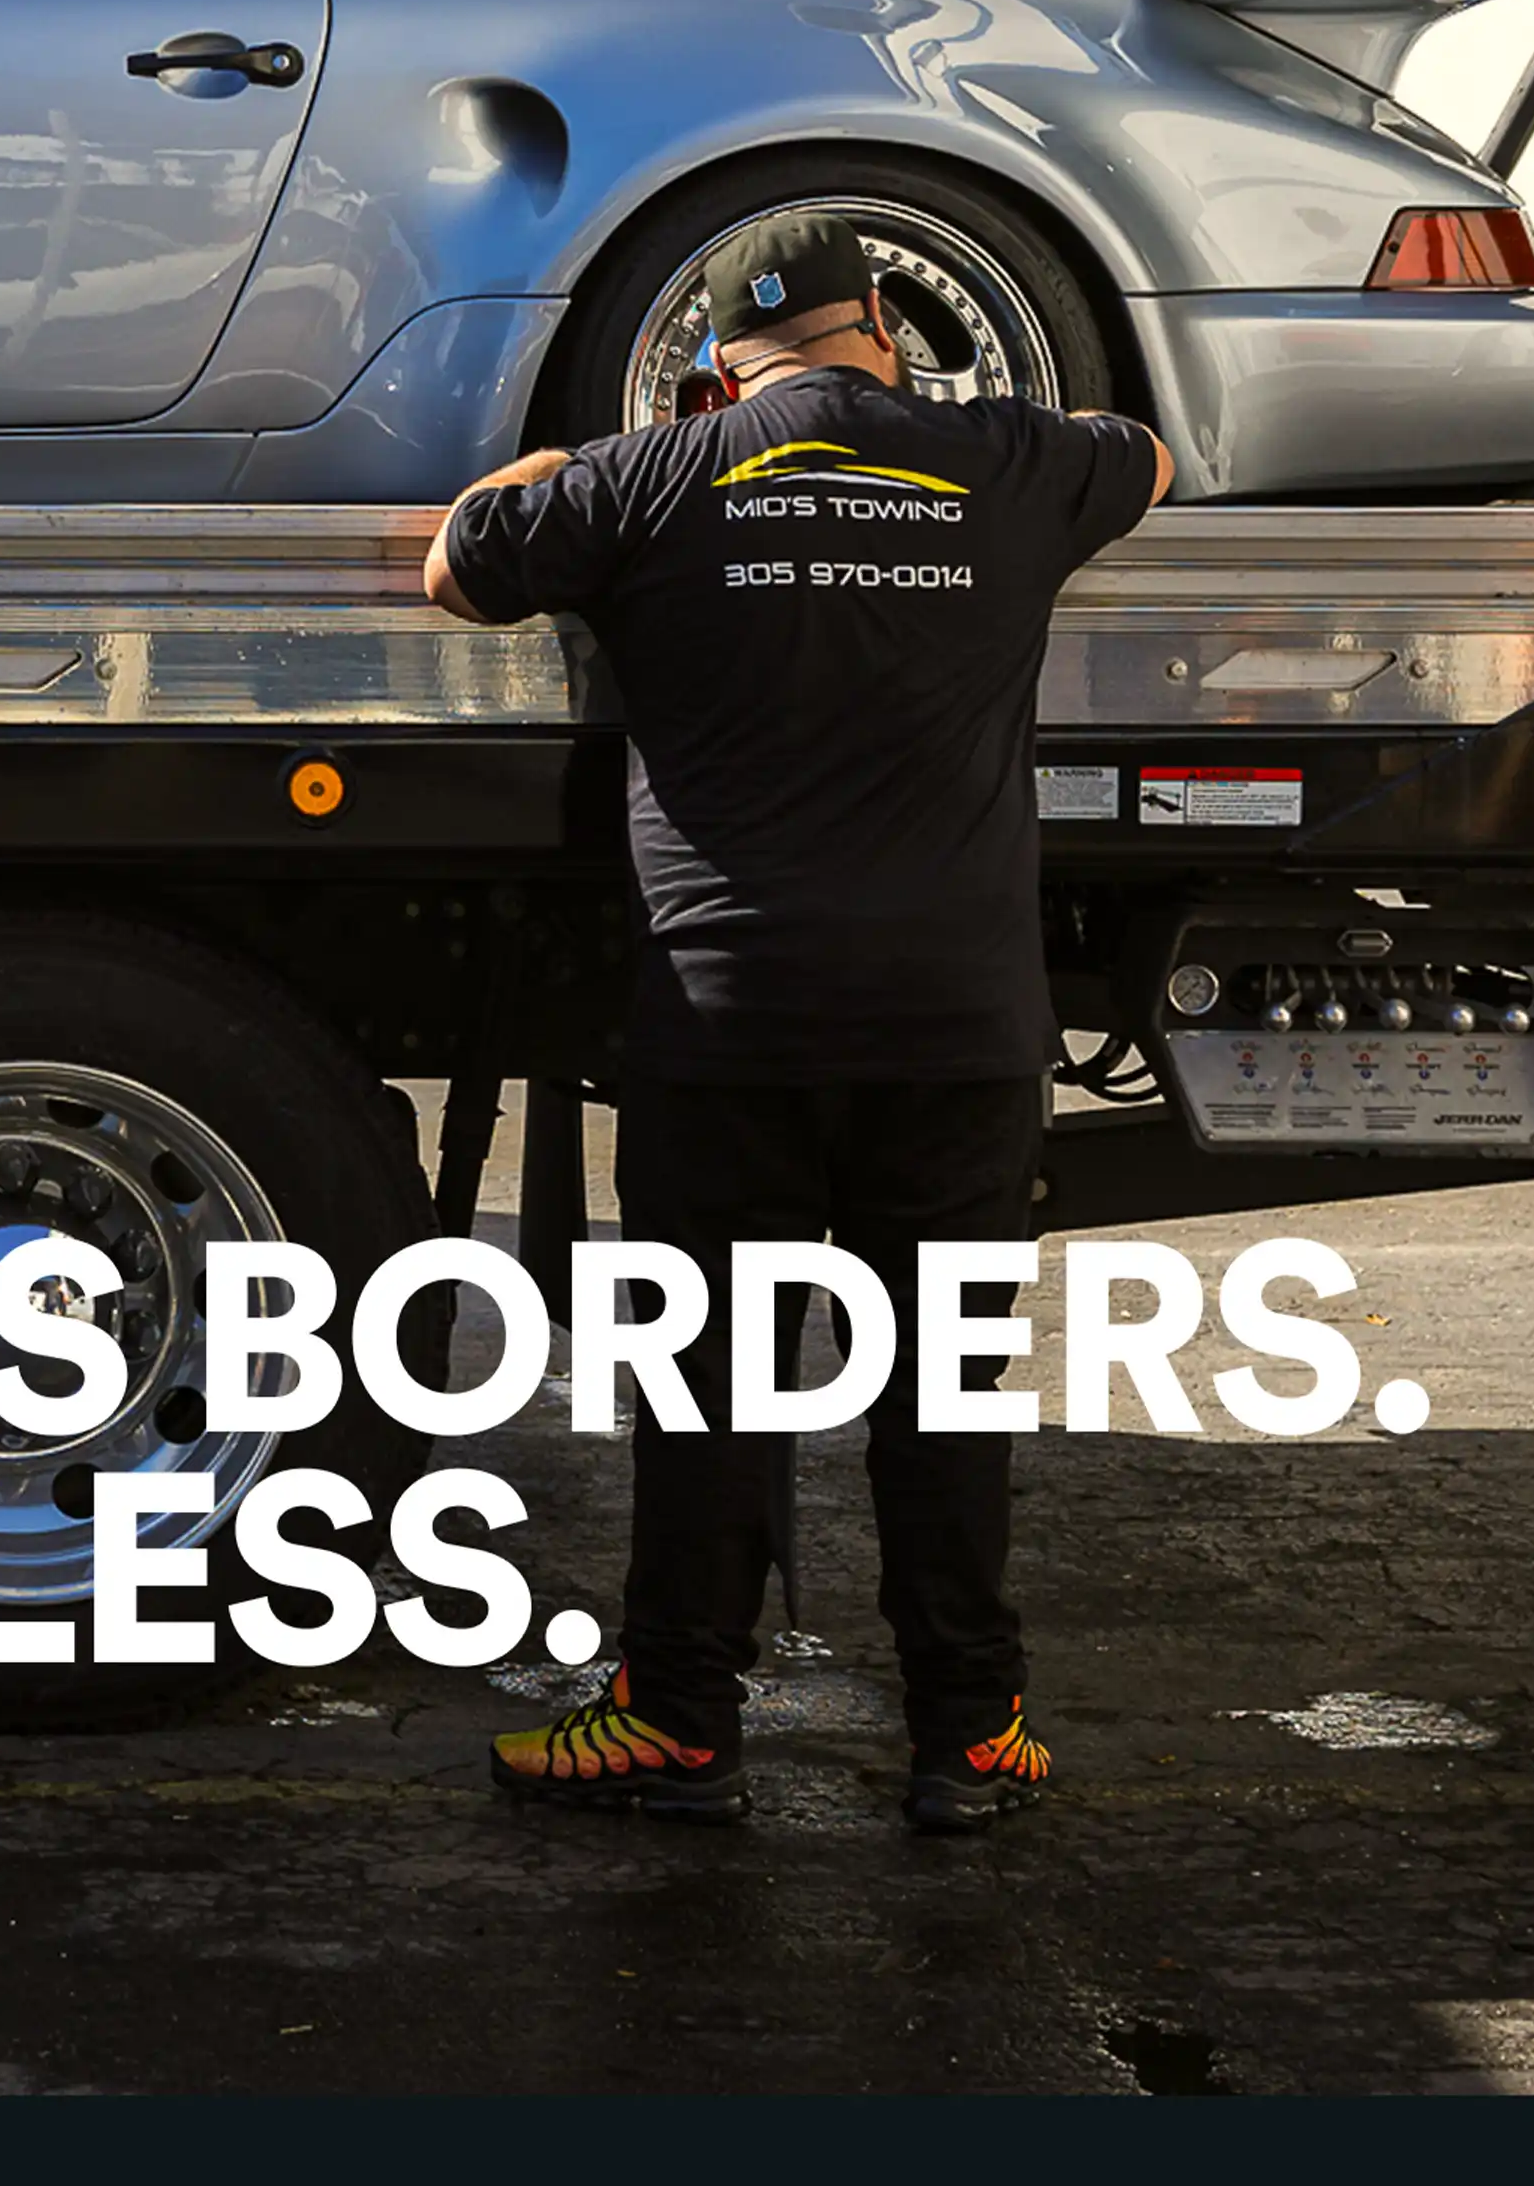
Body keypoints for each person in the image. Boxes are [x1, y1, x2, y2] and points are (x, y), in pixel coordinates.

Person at [421, 211, 1172, 1832]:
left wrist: (560, 456)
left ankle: (680, 1718)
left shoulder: (649, 479)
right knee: (941, 1394)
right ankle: (972, 1734)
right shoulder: (1014, 460)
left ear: (712, 360)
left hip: (729, 1019)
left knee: (713, 1388)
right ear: (881, 328)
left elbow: (457, 563)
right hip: (954, 1027)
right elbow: (1153, 456)